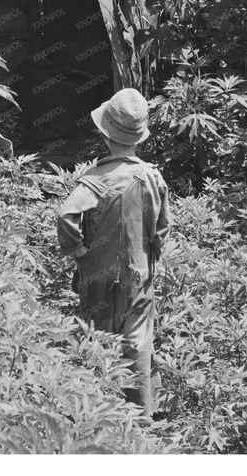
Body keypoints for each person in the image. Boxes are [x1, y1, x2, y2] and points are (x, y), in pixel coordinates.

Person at [56, 87, 171, 416]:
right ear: (138, 137)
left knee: (101, 342)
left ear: (106, 135)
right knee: (138, 344)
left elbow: (66, 214)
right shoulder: (153, 177)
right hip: (140, 276)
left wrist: (79, 252)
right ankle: (143, 418)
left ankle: (102, 418)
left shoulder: (94, 179)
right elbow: (162, 228)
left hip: (99, 278)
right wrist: (150, 260)